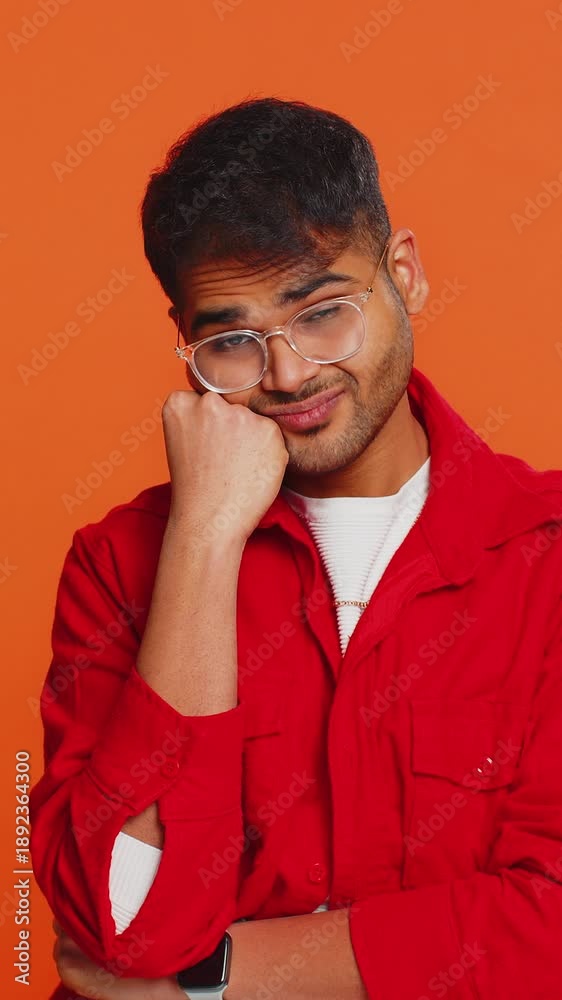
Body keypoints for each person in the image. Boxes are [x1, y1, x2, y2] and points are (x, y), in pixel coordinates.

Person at [30, 97, 562, 1000]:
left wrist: (213, 981)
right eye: (232, 340)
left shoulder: (545, 555)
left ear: (405, 274)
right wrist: (202, 541)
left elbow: (548, 930)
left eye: (322, 312)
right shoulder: (119, 564)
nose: (287, 374)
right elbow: (120, 928)